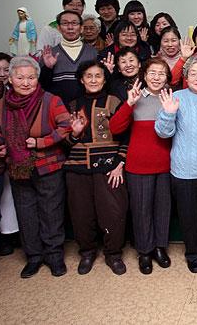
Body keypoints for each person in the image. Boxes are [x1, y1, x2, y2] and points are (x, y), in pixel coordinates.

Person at [0, 56, 71, 278]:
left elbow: (66, 127)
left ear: (38, 78)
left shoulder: (51, 100)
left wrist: (42, 142)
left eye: (31, 77)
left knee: (51, 212)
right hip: (18, 167)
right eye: (20, 78)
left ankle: (54, 256)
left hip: (49, 165)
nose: (25, 83)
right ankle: (34, 257)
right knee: (26, 213)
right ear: (10, 79)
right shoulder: (3, 104)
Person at [155, 54, 197, 273]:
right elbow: (163, 133)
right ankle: (193, 254)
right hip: (184, 169)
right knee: (189, 215)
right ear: (185, 76)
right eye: (192, 73)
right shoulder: (176, 97)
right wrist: (168, 113)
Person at [64, 61, 128, 275]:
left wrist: (120, 162)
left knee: (113, 213)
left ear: (104, 78)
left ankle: (113, 254)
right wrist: (74, 134)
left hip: (109, 168)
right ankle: (87, 252)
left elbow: (127, 136)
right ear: (81, 79)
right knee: (82, 214)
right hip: (78, 169)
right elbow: (64, 143)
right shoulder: (72, 105)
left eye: (98, 76)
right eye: (88, 76)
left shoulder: (114, 101)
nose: (93, 80)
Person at [109, 58, 172, 275]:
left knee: (162, 209)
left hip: (166, 164)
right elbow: (115, 128)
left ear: (167, 77)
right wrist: (128, 104)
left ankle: (159, 248)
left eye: (161, 73)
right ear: (144, 75)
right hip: (138, 164)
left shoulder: (171, 97)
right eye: (152, 73)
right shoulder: (134, 96)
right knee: (141, 210)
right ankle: (144, 251)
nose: (156, 77)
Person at [39, 10, 98, 106]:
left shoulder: (92, 52)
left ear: (81, 28)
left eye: (74, 23)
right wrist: (48, 68)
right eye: (65, 23)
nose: (70, 27)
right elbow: (42, 87)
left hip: (87, 108)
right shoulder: (50, 54)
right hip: (58, 109)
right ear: (59, 28)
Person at [0, 53, 18, 264]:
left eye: (5, 69)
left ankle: (11, 235)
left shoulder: (17, 91)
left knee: (10, 199)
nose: (1, 74)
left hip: (14, 153)